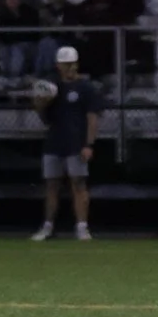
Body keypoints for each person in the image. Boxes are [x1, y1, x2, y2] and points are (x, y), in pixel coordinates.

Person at [31, 45, 102, 241]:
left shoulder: (86, 88)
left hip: (76, 143)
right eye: (65, 64)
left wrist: (89, 144)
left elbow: (92, 118)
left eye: (71, 64)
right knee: (52, 185)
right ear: (58, 66)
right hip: (55, 142)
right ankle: (48, 226)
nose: (69, 68)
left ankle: (81, 227)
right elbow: (45, 118)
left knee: (78, 183)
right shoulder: (53, 88)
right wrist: (40, 104)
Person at [68, 0, 145, 78]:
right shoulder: (86, 5)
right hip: (94, 46)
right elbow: (75, 20)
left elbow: (138, 6)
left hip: (117, 44)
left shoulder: (123, 3)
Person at [0, 0, 43, 85]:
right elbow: (0, 35)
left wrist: (14, 36)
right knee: (4, 49)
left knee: (17, 48)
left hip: (28, 45)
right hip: (8, 44)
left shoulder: (29, 12)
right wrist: (15, 36)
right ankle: (7, 76)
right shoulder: (0, 13)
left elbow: (31, 33)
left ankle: (13, 77)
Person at [34, 0, 72, 76]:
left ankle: (42, 75)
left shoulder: (73, 10)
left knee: (48, 43)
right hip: (44, 45)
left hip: (66, 43)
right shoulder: (42, 10)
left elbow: (67, 32)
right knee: (46, 43)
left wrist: (50, 20)